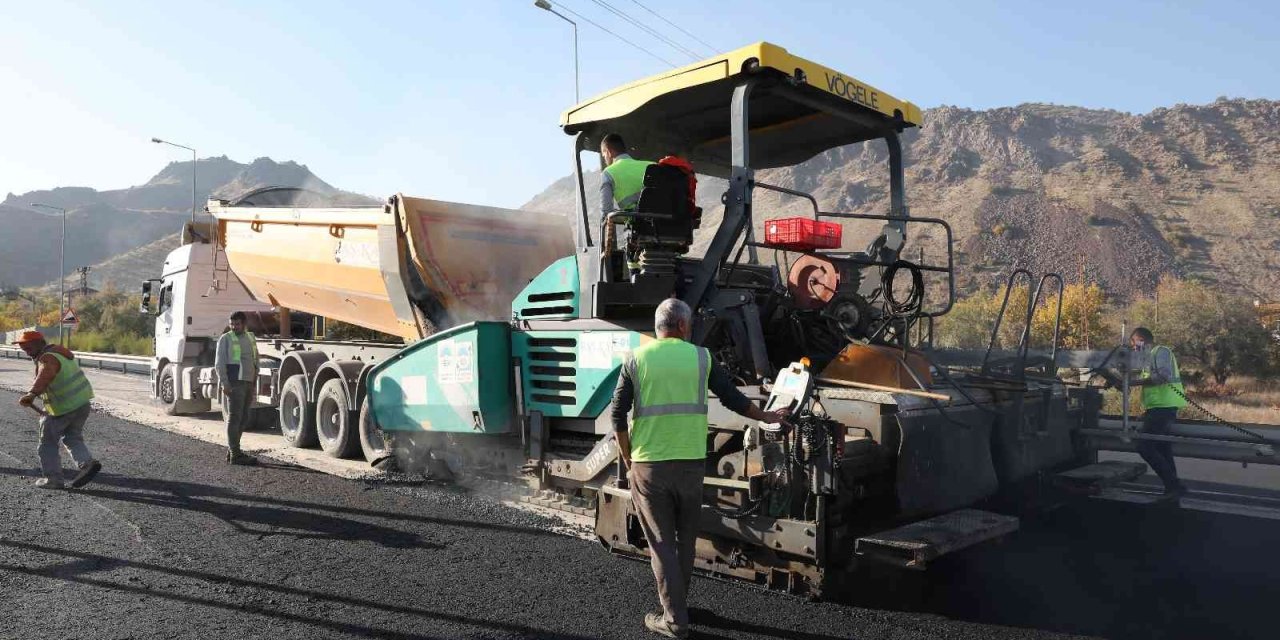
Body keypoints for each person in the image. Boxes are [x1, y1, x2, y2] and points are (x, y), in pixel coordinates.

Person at [611, 298, 789, 638]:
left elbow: (617, 415)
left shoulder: (635, 359)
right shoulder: (701, 357)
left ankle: (675, 619)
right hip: (691, 465)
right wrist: (766, 417)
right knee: (685, 541)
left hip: (650, 466)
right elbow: (732, 398)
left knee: (662, 544)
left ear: (659, 326)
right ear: (681, 326)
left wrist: (628, 458)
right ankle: (678, 604)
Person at [14, 330, 102, 489]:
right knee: (72, 437)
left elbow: (45, 375)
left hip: (63, 409)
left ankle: (53, 479)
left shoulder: (48, 358)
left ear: (39, 343)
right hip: (82, 404)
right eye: (23, 348)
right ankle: (87, 464)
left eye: (28, 347)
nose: (25, 351)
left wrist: (32, 394)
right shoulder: (60, 353)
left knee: (47, 443)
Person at [1128, 327, 1188, 500]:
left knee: (1144, 446)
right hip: (1158, 408)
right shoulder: (1149, 358)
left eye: (1134, 345)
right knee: (1162, 448)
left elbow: (1163, 377)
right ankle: (1173, 487)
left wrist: (1134, 382)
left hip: (1164, 407)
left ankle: (1174, 485)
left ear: (1141, 340)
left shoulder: (1160, 352)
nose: (1134, 349)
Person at [215, 311, 259, 465]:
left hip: (248, 382)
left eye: (237, 324)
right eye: (231, 324)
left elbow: (255, 358)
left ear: (244, 324)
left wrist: (255, 379)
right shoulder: (225, 339)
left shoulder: (250, 337)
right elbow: (219, 363)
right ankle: (235, 453)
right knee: (235, 418)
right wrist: (224, 383)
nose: (234, 327)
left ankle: (232, 450)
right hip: (235, 383)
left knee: (244, 418)